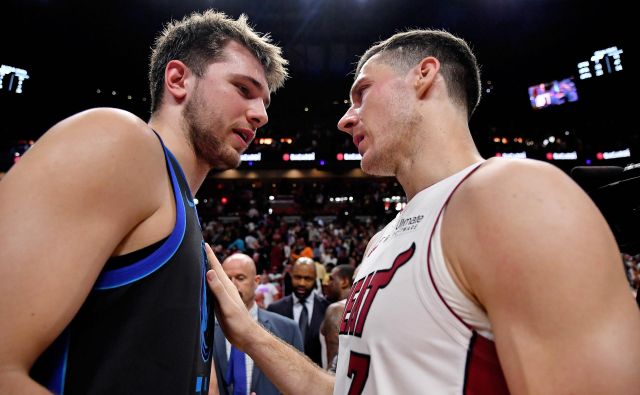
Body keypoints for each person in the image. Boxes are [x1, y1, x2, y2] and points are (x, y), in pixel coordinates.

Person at [205, 28, 640, 394]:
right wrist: (248, 333)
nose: (345, 118)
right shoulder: (383, 239)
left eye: (362, 92)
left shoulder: (511, 194)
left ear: (424, 76)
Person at [0, 9, 287, 394]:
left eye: (265, 100)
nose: (261, 114)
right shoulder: (121, 141)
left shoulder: (180, 207)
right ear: (178, 79)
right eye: (244, 89)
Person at [211, 253, 303, 395]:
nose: (232, 284)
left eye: (240, 278)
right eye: (227, 279)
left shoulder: (288, 329)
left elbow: (299, 388)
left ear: (257, 281)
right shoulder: (205, 331)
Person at [267, 257, 329, 367]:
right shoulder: (274, 309)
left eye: (307, 279)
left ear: (315, 279)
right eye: (297, 277)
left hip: (317, 378)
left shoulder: (327, 309)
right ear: (291, 276)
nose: (302, 283)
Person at [319, 264, 355, 372]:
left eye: (331, 279)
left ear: (344, 281)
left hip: (335, 385)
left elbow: (334, 368)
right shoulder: (362, 307)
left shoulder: (336, 309)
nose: (327, 284)